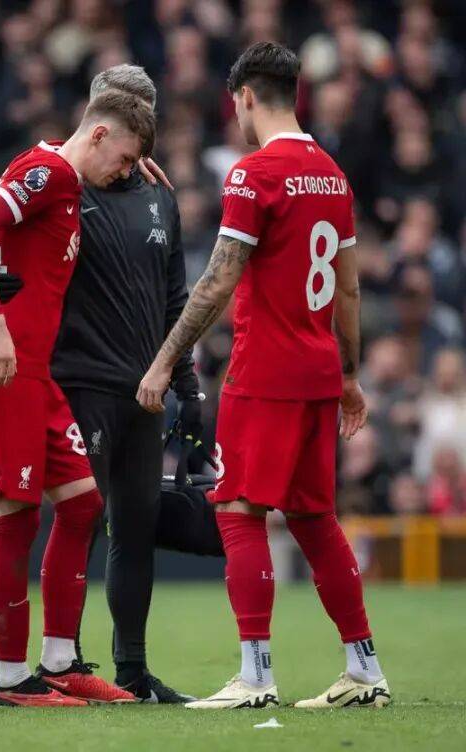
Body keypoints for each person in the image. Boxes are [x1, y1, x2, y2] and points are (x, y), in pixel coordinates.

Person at [138, 42, 392, 710]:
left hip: (265, 371)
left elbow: (218, 281)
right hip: (318, 371)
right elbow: (349, 289)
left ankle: (255, 675)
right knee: (314, 519)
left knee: (238, 509)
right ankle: (364, 669)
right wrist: (350, 375)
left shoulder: (253, 175)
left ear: (246, 96)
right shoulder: (333, 176)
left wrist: (163, 360)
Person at [0, 89, 155, 707]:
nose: (125, 172)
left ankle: (61, 663)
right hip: (1, 368)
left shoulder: (59, 176)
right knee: (17, 519)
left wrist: (136, 167)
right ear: (98, 135)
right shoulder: (51, 174)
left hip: (35, 374)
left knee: (83, 504)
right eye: (124, 159)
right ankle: (11, 680)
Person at [50, 65, 204, 704]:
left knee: (136, 526)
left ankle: (132, 671)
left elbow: (175, 298)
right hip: (80, 383)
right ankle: (63, 663)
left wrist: (188, 384)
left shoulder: (159, 197)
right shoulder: (58, 185)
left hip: (147, 390)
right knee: (79, 521)